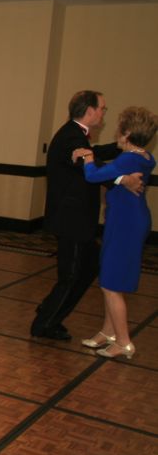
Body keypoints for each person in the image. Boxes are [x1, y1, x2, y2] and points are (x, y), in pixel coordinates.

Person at [30, 91, 143, 341]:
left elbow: (93, 155)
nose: (104, 113)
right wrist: (124, 179)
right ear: (89, 110)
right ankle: (44, 323)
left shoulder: (75, 134)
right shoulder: (71, 137)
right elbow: (89, 165)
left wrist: (122, 145)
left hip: (77, 220)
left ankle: (49, 310)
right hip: (71, 221)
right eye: (102, 108)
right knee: (71, 276)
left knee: (89, 266)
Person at [76, 106, 157, 359]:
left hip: (126, 223)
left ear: (127, 132)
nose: (116, 130)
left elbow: (94, 176)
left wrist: (88, 158)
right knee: (110, 278)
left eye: (119, 126)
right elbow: (114, 174)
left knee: (111, 284)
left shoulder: (128, 160)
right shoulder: (144, 157)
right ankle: (108, 333)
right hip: (128, 220)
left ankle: (123, 342)